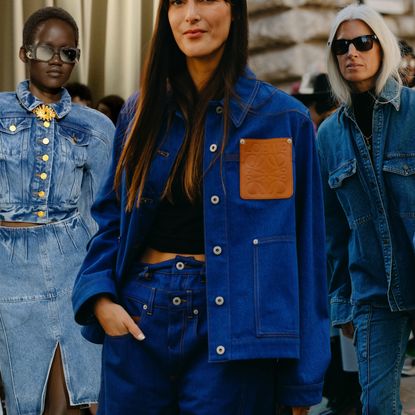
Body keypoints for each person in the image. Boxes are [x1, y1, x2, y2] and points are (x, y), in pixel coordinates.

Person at [72, 1, 330, 414]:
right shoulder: (140, 113)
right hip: (139, 317)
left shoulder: (283, 120)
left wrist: (303, 383)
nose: (190, 14)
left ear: (236, 12)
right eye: (176, 2)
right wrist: (101, 301)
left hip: (235, 328)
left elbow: (306, 253)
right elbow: (110, 220)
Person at [0, 7, 114, 415]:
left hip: (73, 266)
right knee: (23, 394)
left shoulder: (97, 127)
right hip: (8, 271)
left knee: (75, 398)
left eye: (69, 53)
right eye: (48, 48)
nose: (57, 60)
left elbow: (109, 214)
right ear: (24, 52)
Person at [317, 4, 415, 414]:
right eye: (342, 46)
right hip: (374, 290)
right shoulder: (328, 135)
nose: (351, 53)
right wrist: (340, 303)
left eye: (362, 42)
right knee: (375, 405)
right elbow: (332, 232)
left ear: (382, 47)